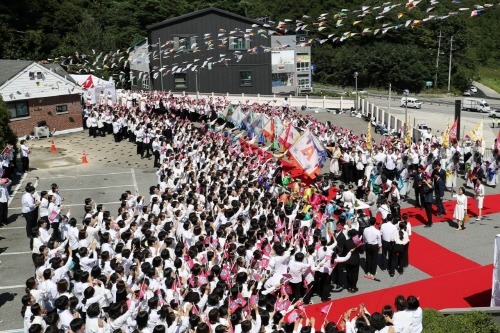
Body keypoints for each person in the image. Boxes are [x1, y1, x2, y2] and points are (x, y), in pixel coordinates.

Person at [22, 184, 40, 250]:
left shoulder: (25, 195)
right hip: (28, 211)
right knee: (29, 223)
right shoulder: (28, 197)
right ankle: (30, 233)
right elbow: (31, 205)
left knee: (29, 223)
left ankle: (29, 232)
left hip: (25, 211)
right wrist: (36, 204)